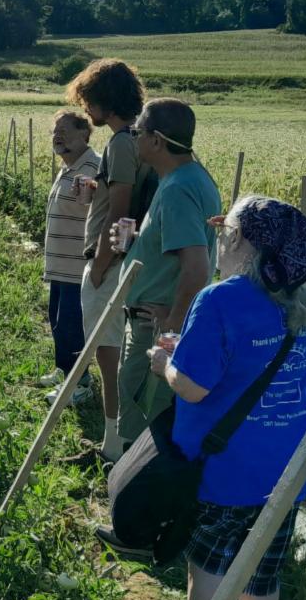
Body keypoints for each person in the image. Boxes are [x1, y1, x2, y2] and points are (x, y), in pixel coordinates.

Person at [148, 196, 306, 600]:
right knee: (261, 568)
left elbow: (193, 387)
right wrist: (192, 353)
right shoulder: (302, 299)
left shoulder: (219, 299)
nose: (219, 240)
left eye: (224, 230)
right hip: (283, 470)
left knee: (208, 570)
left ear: (242, 241)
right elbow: (252, 367)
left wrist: (167, 364)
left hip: (223, 469)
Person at [113, 99, 220, 451]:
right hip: (155, 318)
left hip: (155, 325)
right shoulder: (189, 177)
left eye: (137, 132)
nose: (134, 139)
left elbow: (196, 266)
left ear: (156, 140)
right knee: (142, 404)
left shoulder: (177, 189)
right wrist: (136, 243)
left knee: (143, 410)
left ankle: (130, 475)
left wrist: (171, 325)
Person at [66, 58, 158, 460]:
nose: (86, 109)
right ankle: (124, 442)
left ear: (106, 99)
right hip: (136, 259)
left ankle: (113, 446)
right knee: (126, 354)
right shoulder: (144, 139)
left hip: (114, 261)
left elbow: (121, 212)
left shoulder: (121, 142)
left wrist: (101, 266)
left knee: (108, 354)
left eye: (89, 100)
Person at [40, 110, 100, 405]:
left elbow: (102, 210)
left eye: (64, 131)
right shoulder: (68, 167)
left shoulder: (94, 167)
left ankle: (81, 383)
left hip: (78, 265)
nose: (58, 136)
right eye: (55, 131)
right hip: (60, 263)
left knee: (72, 326)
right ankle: (64, 370)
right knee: (57, 320)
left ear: (84, 134)